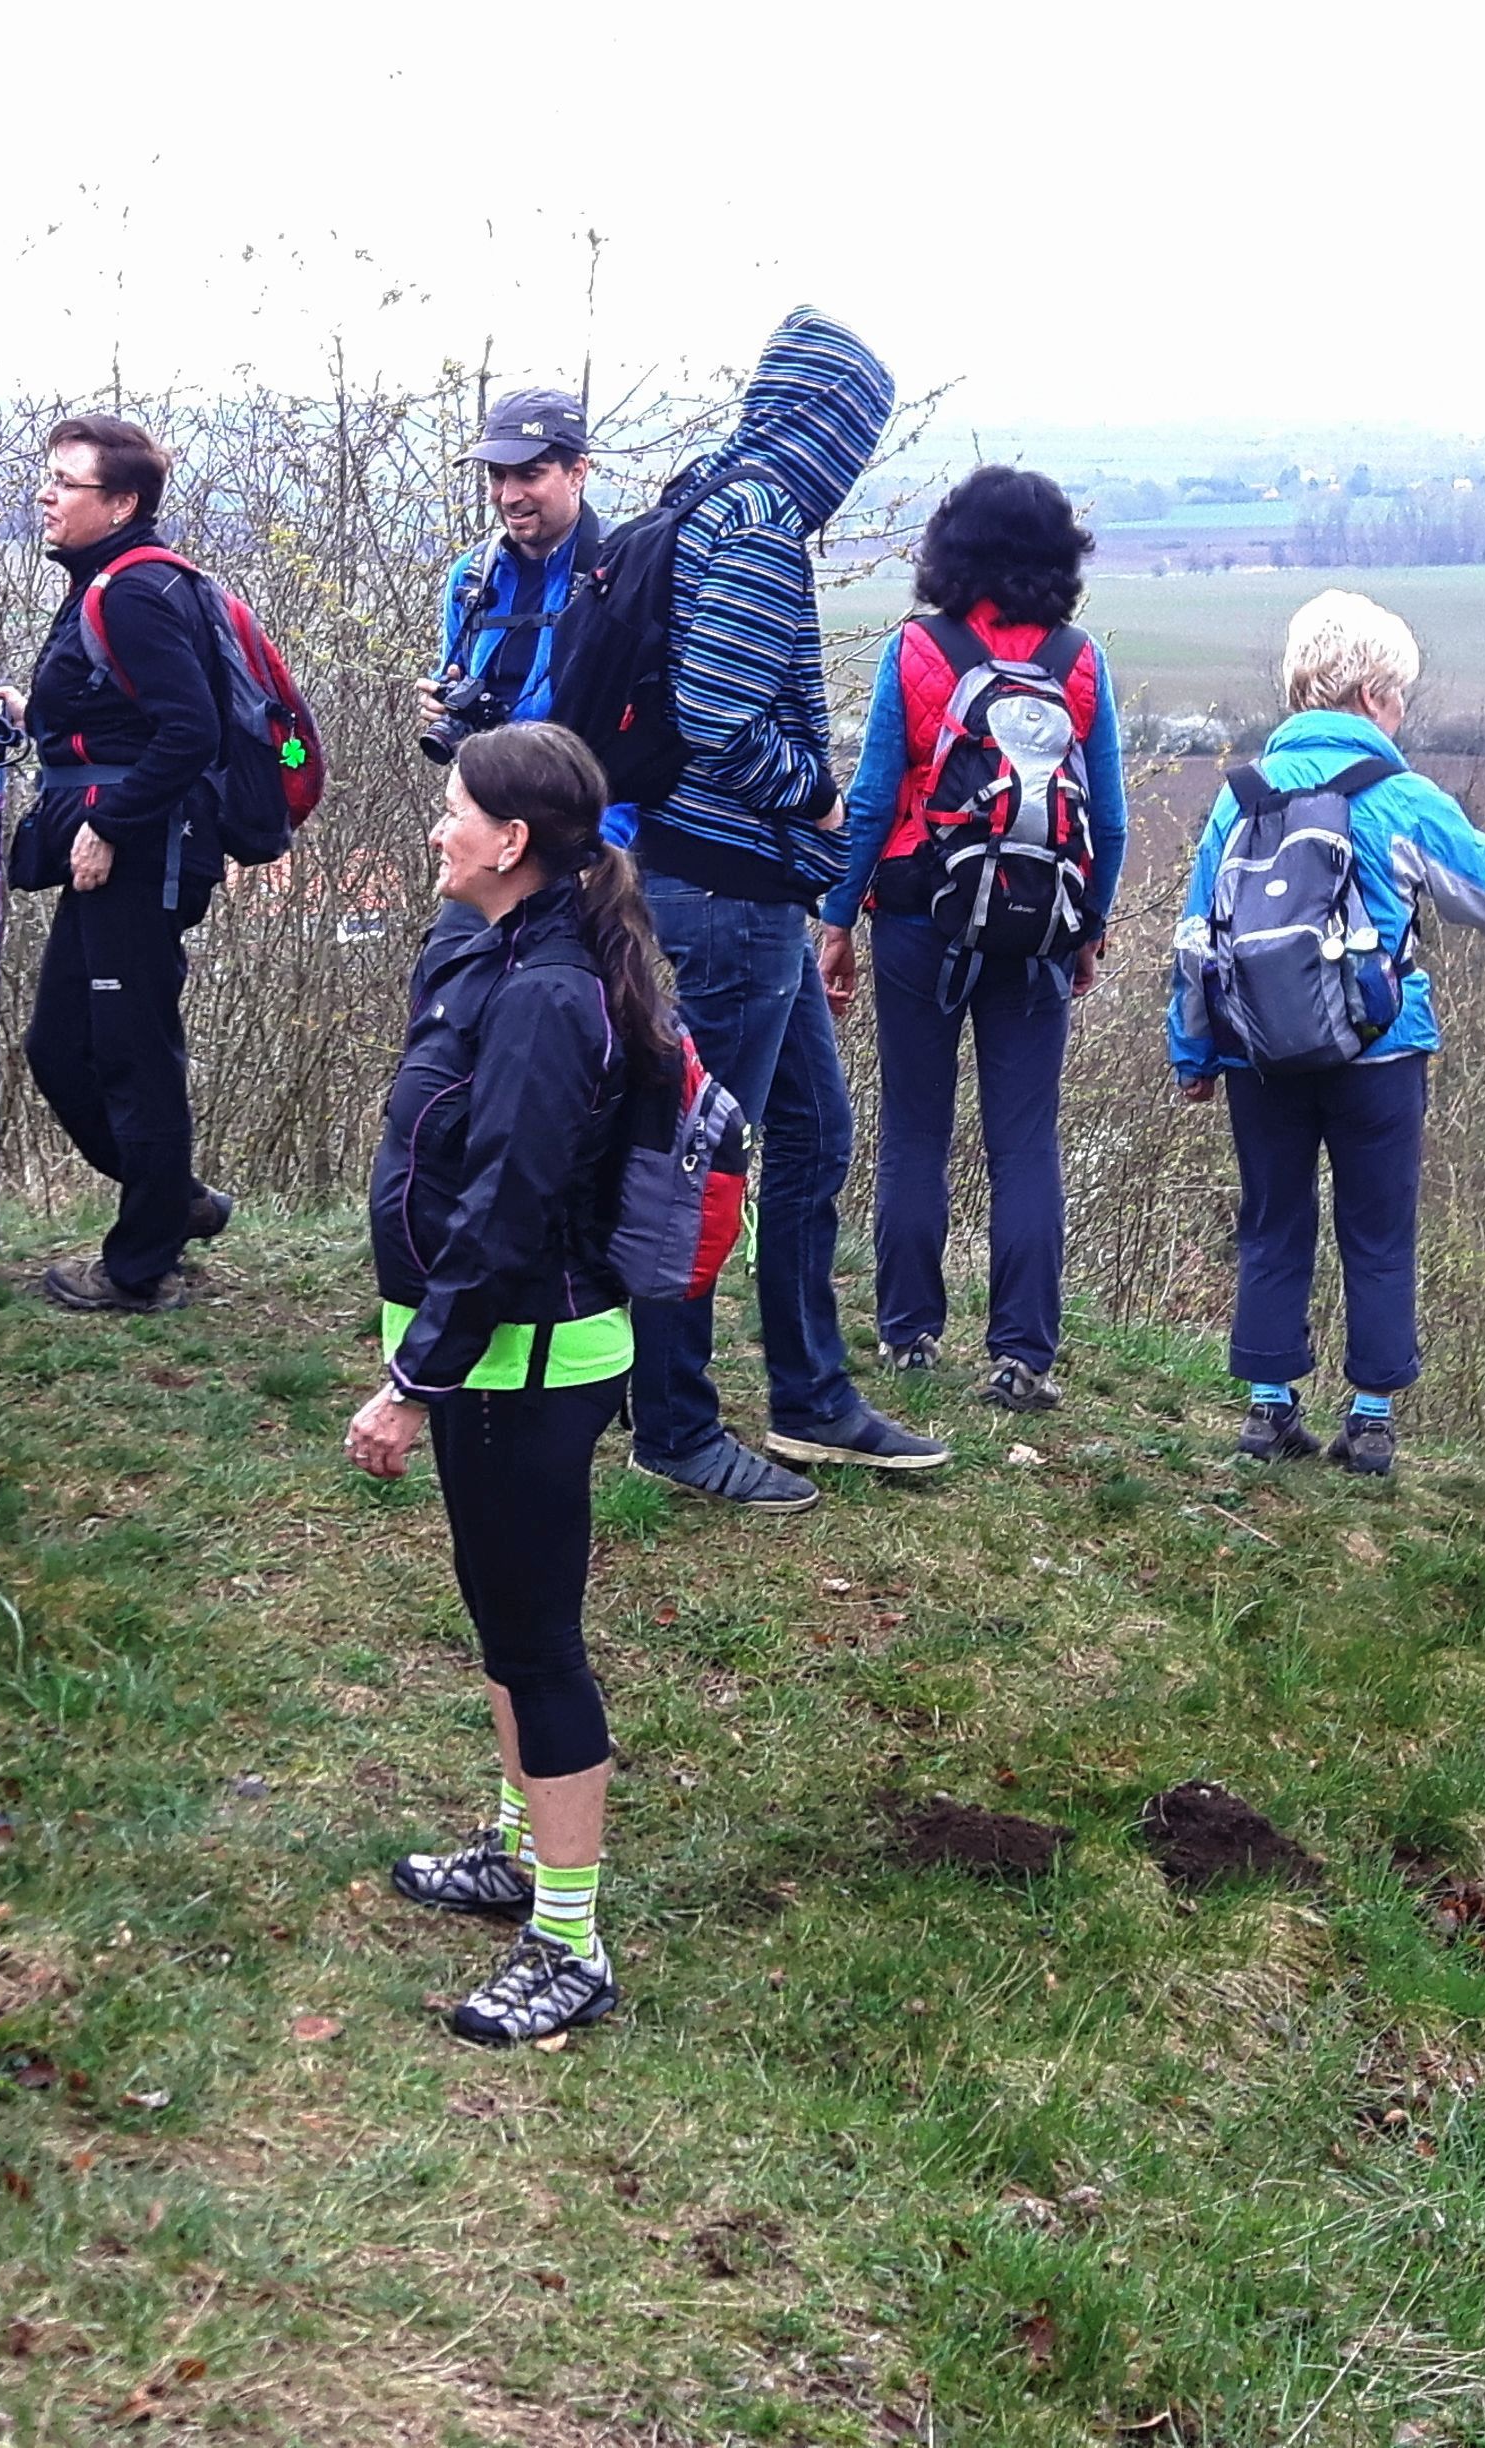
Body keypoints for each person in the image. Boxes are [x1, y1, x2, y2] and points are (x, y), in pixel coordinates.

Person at [351, 723, 660, 2046]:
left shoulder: (549, 993)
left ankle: (570, 1943)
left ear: (513, 842)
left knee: (539, 1646)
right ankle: (517, 1844)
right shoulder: (504, 949)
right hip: (495, 1356)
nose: (436, 828)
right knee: (502, 1614)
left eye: (454, 812)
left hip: (522, 1361)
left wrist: (414, 1379)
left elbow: (514, 1207)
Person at [612, 307, 945, 1513]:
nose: (854, 462)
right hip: (727, 890)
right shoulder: (756, 528)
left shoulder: (707, 494)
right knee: (699, 1164)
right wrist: (815, 796)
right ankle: (676, 1424)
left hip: (726, 889)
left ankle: (811, 1397)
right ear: (825, 423)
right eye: (856, 431)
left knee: (813, 1134)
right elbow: (715, 722)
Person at [1167, 590, 1485, 1473]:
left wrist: (1193, 1052)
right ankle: (1370, 1423)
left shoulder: (1240, 800)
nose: (1404, 710)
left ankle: (1268, 1413)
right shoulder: (1398, 796)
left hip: (1258, 1049)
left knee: (1271, 1222)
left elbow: (1196, 939)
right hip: (1381, 1048)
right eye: (1400, 692)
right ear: (1372, 693)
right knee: (1377, 1231)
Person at [818, 466, 1127, 1414]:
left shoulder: (917, 649)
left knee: (914, 1130)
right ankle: (1023, 1353)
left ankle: (910, 1334)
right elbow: (1106, 819)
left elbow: (871, 799)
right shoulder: (1079, 660)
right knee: (1025, 1142)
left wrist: (836, 921)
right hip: (1035, 932)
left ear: (951, 548)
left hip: (920, 916)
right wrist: (1087, 927)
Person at [0, 414, 235, 1315]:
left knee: (134, 1056)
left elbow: (191, 732)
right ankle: (171, 1202)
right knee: (60, 1046)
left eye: (68, 483)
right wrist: (34, 713)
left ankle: (141, 1265)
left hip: (141, 857)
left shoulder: (134, 591)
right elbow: (126, 711)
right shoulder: (106, 582)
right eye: (47, 478)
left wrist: (112, 826)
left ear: (122, 502)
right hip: (120, 848)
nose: (47, 496)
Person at [414, 388, 601, 759]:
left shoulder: (618, 572)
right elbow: (452, 671)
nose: (508, 495)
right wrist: (445, 702)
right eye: (497, 476)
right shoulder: (471, 576)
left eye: (530, 474)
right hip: (488, 793)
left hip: (589, 805)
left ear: (577, 472)